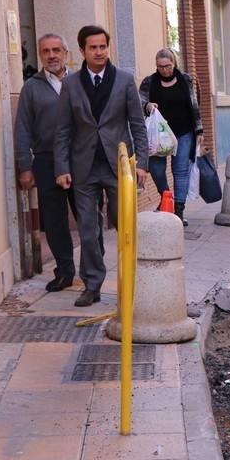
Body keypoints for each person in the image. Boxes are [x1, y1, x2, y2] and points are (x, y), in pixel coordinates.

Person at [54, 25, 148, 307]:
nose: (99, 52)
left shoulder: (124, 80)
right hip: (83, 167)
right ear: (82, 51)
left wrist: (141, 163)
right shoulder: (71, 84)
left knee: (124, 224)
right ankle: (92, 284)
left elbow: (137, 124)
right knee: (88, 228)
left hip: (118, 166)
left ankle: (135, 281)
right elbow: (62, 129)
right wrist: (62, 167)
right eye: (93, 47)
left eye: (103, 47)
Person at [14, 33, 77, 292]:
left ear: (65, 53)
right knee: (54, 220)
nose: (51, 56)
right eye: (46, 51)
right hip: (46, 160)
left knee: (88, 217)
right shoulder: (32, 87)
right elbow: (22, 128)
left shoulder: (79, 82)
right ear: (40, 55)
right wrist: (25, 166)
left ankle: (92, 272)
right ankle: (65, 271)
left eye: (56, 50)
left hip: (79, 160)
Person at [139, 48, 203, 225]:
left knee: (180, 171)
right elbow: (140, 101)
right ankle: (166, 198)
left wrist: (199, 130)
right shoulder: (149, 82)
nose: (165, 70)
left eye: (168, 66)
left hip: (183, 132)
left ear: (174, 63)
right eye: (160, 67)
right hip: (158, 135)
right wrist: (148, 106)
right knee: (156, 169)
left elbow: (194, 105)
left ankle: (179, 211)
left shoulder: (185, 79)